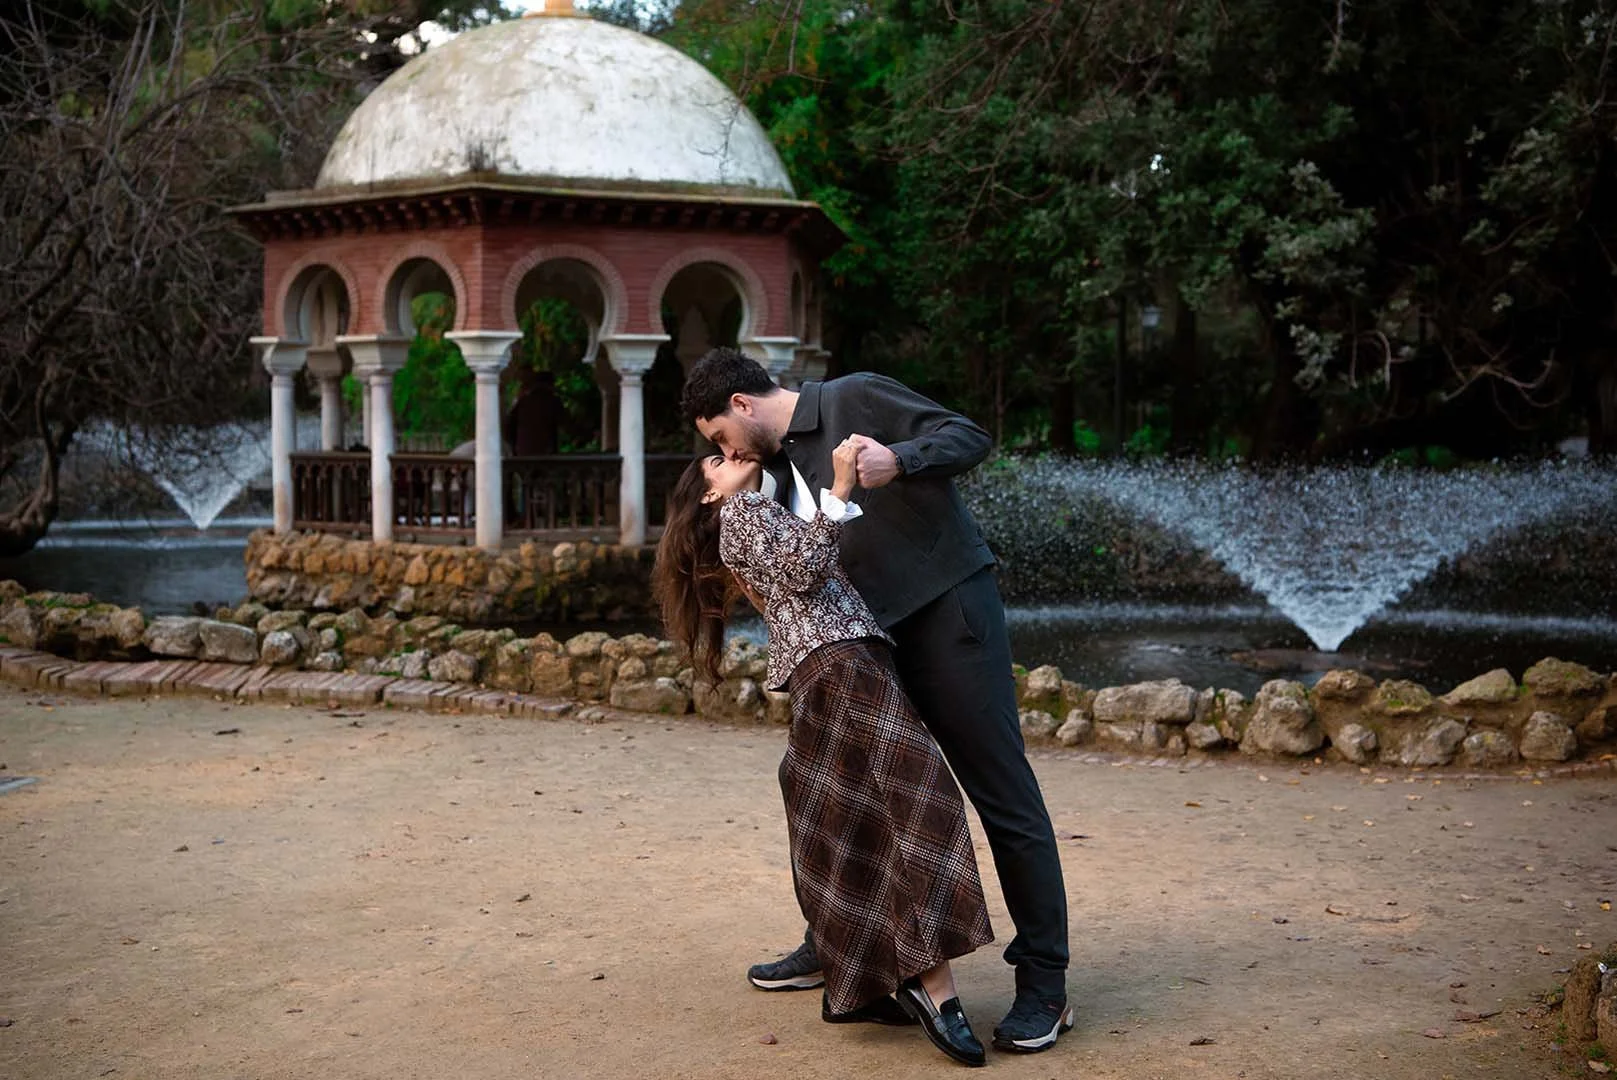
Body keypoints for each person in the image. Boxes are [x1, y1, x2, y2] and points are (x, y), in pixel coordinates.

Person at [680, 347, 1073, 1053]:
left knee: (1001, 796)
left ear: (739, 406)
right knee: (833, 797)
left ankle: (1045, 984)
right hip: (863, 650)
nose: (723, 450)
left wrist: (901, 460)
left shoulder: (855, 397)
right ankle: (837, 943)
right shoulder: (763, 474)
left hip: (946, 616)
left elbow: (969, 436)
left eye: (718, 437)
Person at [652, 440, 993, 1067]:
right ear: (707, 492)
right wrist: (839, 487)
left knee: (859, 821)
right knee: (914, 814)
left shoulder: (758, 513)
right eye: (715, 462)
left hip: (836, 669)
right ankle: (934, 989)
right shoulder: (741, 516)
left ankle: (863, 980)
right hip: (842, 668)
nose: (728, 456)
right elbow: (809, 566)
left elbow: (800, 574)